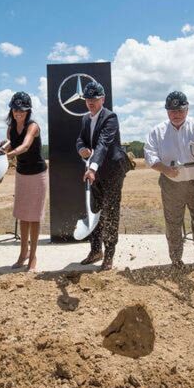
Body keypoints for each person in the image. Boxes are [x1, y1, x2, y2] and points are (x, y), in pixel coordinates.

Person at [143, 91, 194, 268]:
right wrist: (164, 169)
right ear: (166, 111)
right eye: (171, 111)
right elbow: (150, 156)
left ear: (187, 109)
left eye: (179, 110)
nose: (176, 115)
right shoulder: (157, 132)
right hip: (171, 184)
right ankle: (176, 258)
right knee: (173, 222)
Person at [76, 81, 129, 270]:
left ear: (102, 99)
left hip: (112, 172)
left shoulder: (110, 117)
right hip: (95, 174)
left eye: (94, 99)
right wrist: (81, 148)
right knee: (95, 211)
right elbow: (81, 139)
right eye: (88, 99)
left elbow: (103, 144)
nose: (91, 102)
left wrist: (92, 168)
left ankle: (109, 255)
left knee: (111, 213)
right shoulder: (85, 119)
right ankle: (95, 250)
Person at [0, 91, 48, 271]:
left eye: (22, 110)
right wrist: (2, 149)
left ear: (28, 111)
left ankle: (33, 257)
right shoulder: (10, 128)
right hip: (22, 174)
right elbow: (10, 143)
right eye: (15, 110)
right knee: (22, 215)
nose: (18, 113)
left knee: (34, 217)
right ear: (11, 110)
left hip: (37, 175)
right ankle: (23, 253)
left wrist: (8, 155)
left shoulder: (33, 126)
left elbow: (25, 145)